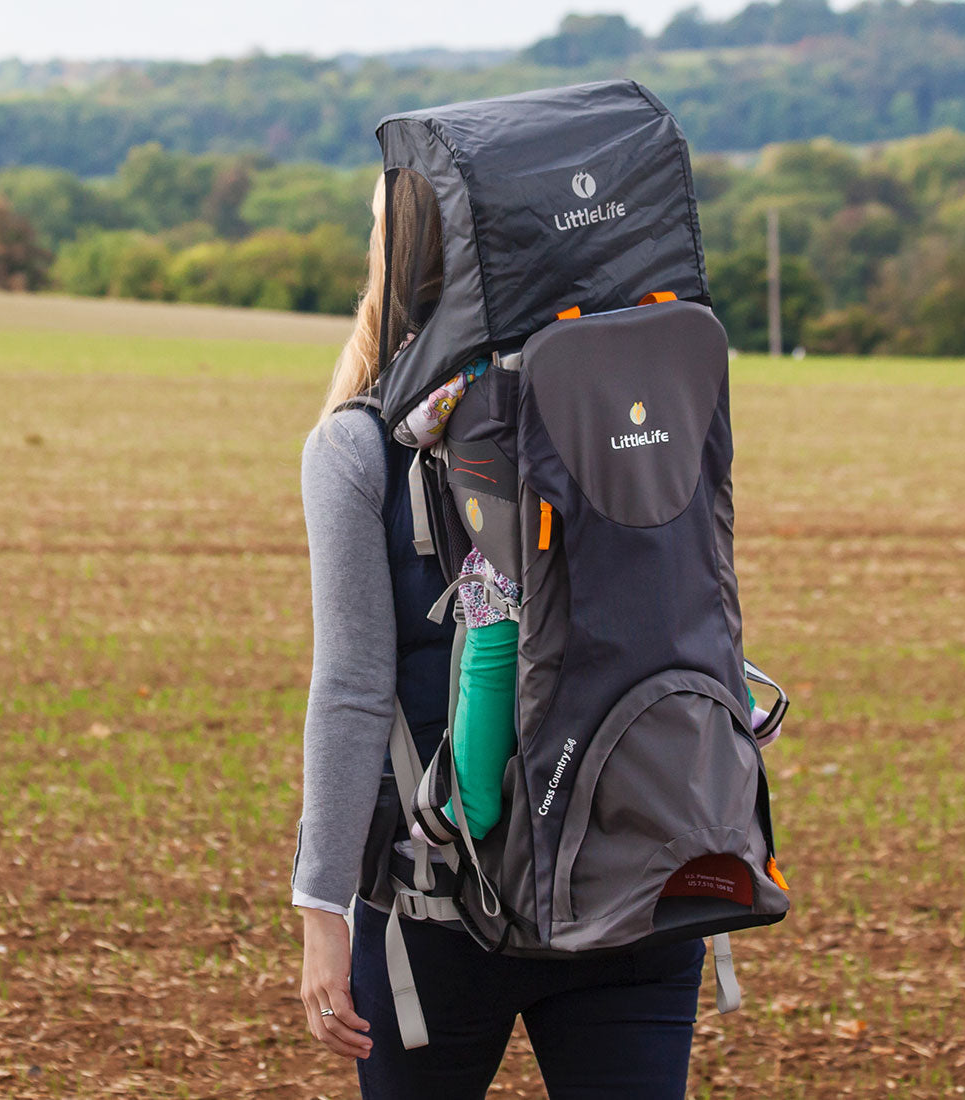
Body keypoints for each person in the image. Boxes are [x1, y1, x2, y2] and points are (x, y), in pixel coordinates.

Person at [291, 172, 708, 1099]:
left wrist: (321, 904)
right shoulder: (645, 406)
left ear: (394, 259)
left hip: (439, 897)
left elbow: (355, 689)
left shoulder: (359, 445)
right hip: (635, 870)